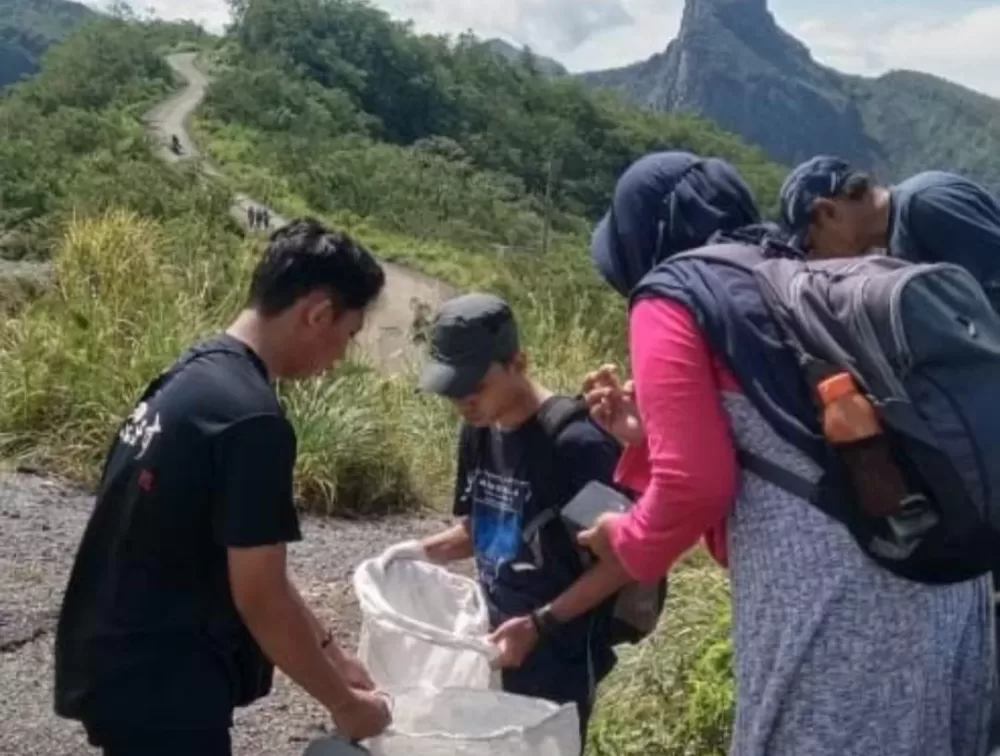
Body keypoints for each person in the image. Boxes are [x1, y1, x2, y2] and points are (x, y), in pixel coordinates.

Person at [579, 151, 994, 755]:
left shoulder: (671, 296)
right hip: (941, 573)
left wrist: (627, 540)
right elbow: (784, 445)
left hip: (842, 608)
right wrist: (649, 436)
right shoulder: (795, 270)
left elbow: (696, 485)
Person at [54, 219, 392, 756]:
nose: (340, 357)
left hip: (117, 667)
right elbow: (260, 598)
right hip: (164, 688)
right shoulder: (252, 421)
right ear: (319, 314)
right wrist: (345, 703)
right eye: (348, 336)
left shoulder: (192, 376)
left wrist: (333, 653)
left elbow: (258, 570)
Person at [380, 292, 630, 745]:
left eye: (474, 386)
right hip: (490, 643)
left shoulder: (575, 445)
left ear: (518, 362)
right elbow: (483, 529)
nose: (463, 401)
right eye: (452, 389)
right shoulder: (477, 430)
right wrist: (414, 553)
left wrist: (539, 626)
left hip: (560, 659)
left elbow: (623, 561)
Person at [778, 155, 1000, 308]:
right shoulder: (896, 242)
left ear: (827, 212)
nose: (816, 258)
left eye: (810, 245)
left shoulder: (924, 205)